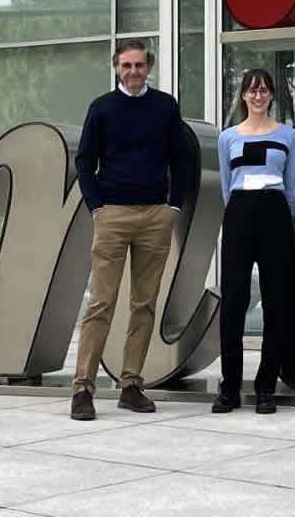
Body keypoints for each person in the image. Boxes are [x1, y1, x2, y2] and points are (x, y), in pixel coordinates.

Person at [69, 40, 191, 421]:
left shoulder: (165, 107)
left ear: (148, 66)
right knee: (101, 303)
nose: (133, 71)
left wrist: (173, 206)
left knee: (144, 303)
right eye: (126, 65)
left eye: (139, 65)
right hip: (113, 215)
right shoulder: (102, 108)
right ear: (116, 68)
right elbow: (84, 160)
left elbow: (182, 158)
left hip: (155, 215)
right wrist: (96, 207)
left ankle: (131, 385)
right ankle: (82, 388)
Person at [213, 69, 295, 415]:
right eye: (251, 90)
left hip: (275, 211)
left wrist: (281, 217)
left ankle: (266, 387)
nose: (258, 96)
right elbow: (226, 183)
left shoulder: (288, 135)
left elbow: (291, 186)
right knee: (234, 300)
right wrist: (237, 212)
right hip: (239, 211)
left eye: (263, 90)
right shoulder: (228, 137)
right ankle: (230, 387)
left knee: (276, 300)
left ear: (271, 95)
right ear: (243, 96)